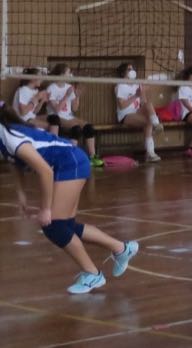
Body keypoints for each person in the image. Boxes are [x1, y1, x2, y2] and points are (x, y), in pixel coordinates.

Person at [0, 101, 139, 294]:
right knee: (66, 226)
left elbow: (45, 172)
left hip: (71, 163)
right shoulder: (5, 136)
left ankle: (93, 274)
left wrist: (46, 209)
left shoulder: (10, 136)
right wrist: (22, 196)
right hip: (68, 162)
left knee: (54, 226)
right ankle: (122, 248)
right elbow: (14, 163)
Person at [45, 63, 103, 168]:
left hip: (69, 116)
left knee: (89, 127)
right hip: (56, 117)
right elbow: (57, 109)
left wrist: (77, 96)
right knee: (76, 129)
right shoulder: (51, 88)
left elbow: (74, 108)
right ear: (62, 74)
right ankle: (71, 157)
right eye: (68, 72)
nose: (70, 74)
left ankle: (92, 157)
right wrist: (66, 95)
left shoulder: (69, 87)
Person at [114, 62, 162, 162]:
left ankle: (157, 124)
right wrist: (135, 95)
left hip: (137, 112)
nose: (132, 71)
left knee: (148, 104)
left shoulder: (137, 84)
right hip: (125, 115)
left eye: (132, 69)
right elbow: (122, 106)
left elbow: (143, 102)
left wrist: (142, 92)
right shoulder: (120, 86)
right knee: (148, 122)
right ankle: (150, 153)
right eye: (129, 69)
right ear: (123, 73)